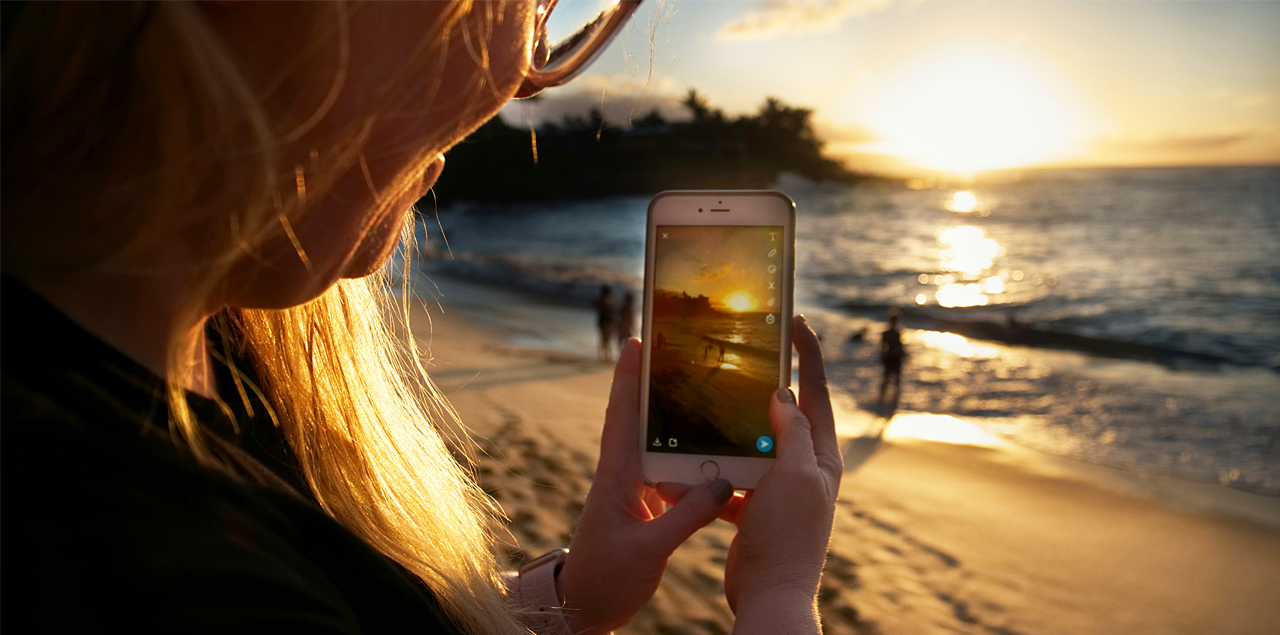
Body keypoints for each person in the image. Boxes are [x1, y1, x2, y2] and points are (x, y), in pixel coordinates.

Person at [2, 2, 842, 634]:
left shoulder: (213, 353)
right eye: (534, 7)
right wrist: (776, 595)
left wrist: (567, 600)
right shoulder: (155, 569)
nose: (528, 74)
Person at [879, 308, 907, 406]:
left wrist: (882, 357)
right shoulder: (897, 333)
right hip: (895, 357)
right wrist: (904, 356)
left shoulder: (885, 333)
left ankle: (881, 399)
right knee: (896, 379)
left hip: (888, 357)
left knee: (886, 378)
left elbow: (882, 348)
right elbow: (900, 347)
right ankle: (894, 401)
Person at [592, 285, 616, 361]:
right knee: (606, 339)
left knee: (604, 339)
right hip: (606, 322)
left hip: (605, 322)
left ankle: (603, 355)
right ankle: (605, 356)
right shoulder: (606, 300)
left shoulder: (605, 300)